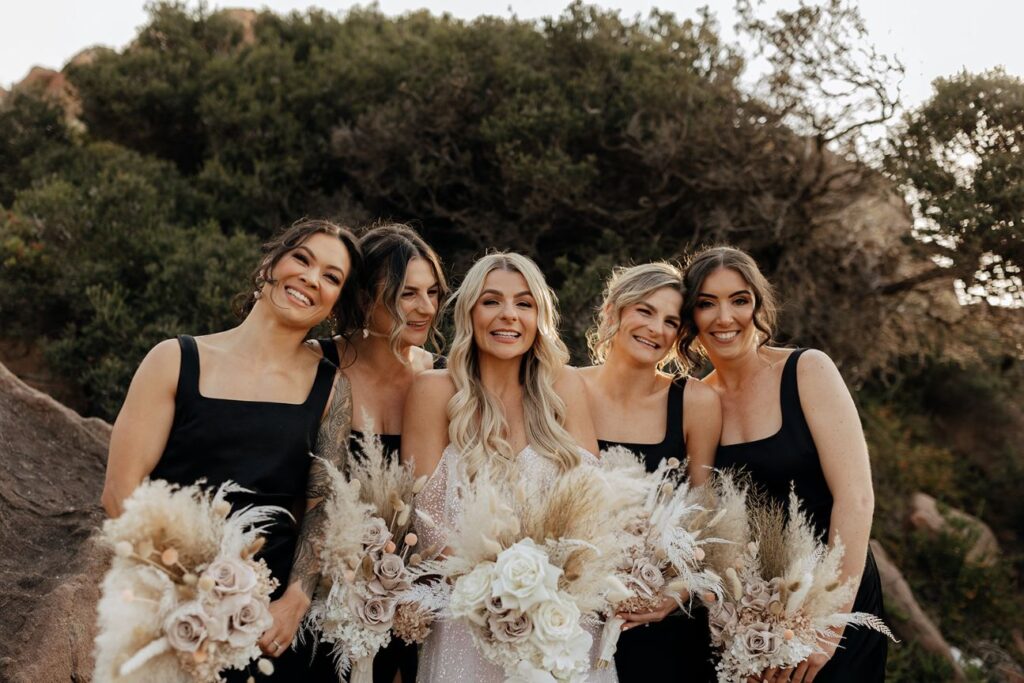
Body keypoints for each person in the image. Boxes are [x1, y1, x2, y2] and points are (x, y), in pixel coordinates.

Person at [100, 219, 362, 681]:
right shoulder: (174, 360)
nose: (310, 278)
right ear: (269, 265)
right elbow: (120, 492)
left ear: (334, 305)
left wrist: (294, 601)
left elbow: (322, 508)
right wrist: (189, 590)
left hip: (267, 625)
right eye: (302, 259)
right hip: (169, 611)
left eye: (331, 277)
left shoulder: (332, 388)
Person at [400, 252, 614, 682]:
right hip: (468, 622)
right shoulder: (433, 391)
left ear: (539, 317)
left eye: (524, 303)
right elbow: (426, 518)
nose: (509, 315)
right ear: (470, 313)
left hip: (560, 624)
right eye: (492, 301)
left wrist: (543, 594)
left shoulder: (566, 386)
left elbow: (592, 509)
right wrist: (501, 593)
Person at [680, 246, 887, 683]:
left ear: (757, 305)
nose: (724, 317)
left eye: (739, 300)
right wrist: (739, 626)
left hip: (836, 597)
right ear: (690, 316)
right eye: (706, 303)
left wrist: (828, 625)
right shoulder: (696, 401)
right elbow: (704, 520)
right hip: (752, 614)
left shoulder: (807, 370)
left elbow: (856, 498)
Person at [316, 222, 448, 683]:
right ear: (364, 296)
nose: (426, 307)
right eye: (407, 293)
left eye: (432, 292)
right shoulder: (316, 365)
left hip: (414, 598)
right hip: (325, 595)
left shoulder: (442, 377)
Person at [579, 262, 721, 682]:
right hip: (575, 615)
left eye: (671, 321)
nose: (656, 329)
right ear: (612, 311)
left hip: (659, 623)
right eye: (644, 311)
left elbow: (705, 514)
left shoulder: (694, 400)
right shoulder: (563, 387)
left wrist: (675, 595)